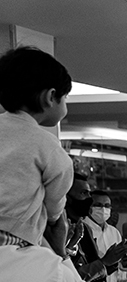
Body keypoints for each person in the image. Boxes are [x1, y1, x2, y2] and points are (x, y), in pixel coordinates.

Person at [0, 46, 73, 257]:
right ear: (51, 96)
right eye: (65, 97)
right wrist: (54, 216)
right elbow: (58, 189)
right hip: (14, 235)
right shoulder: (45, 143)